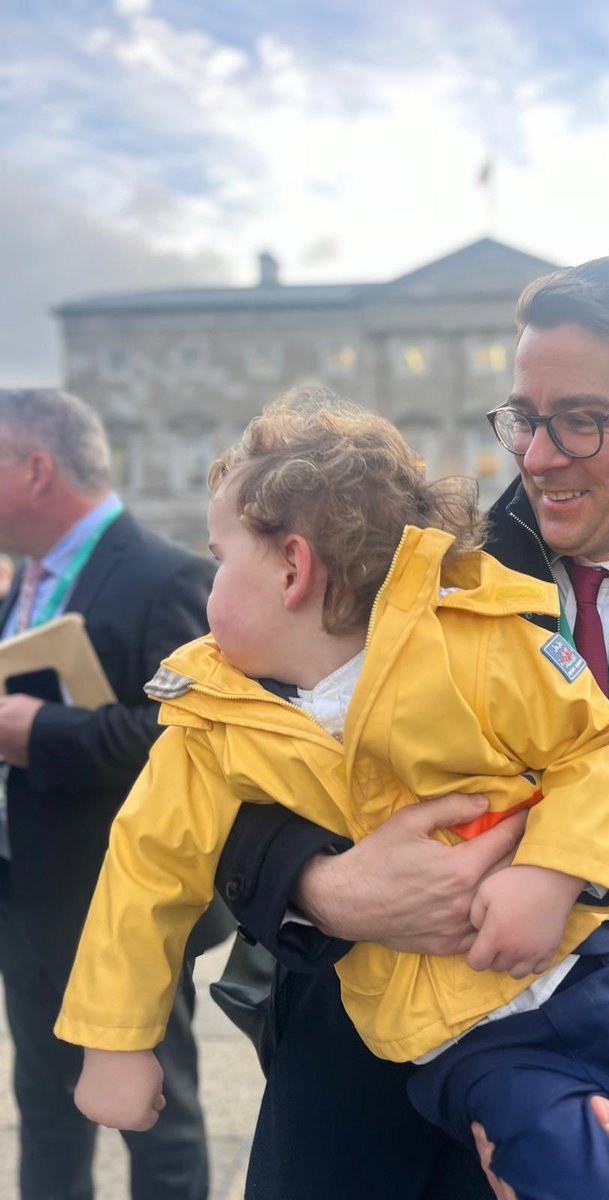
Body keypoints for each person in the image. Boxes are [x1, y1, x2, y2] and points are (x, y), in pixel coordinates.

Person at [57, 398, 609, 1200]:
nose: (535, 453)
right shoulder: (207, 714)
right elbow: (147, 869)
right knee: (573, 1174)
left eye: (218, 557)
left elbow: (599, 741)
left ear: (293, 567)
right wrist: (115, 1043)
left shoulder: (475, 632)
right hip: (457, 1044)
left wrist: (550, 873)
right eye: (525, 419)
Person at [214, 256, 609, 1200]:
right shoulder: (397, 577)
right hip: (362, 1104)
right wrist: (322, 886)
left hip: (589, 1123)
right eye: (525, 419)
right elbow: (212, 771)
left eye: (581, 419)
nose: (535, 457)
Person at [0, 389, 230, 1200]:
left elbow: (189, 737)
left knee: (155, 1117)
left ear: (36, 469)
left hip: (128, 900)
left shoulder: (169, 575)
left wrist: (42, 733)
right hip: (27, 898)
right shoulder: (22, 580)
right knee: (45, 1108)